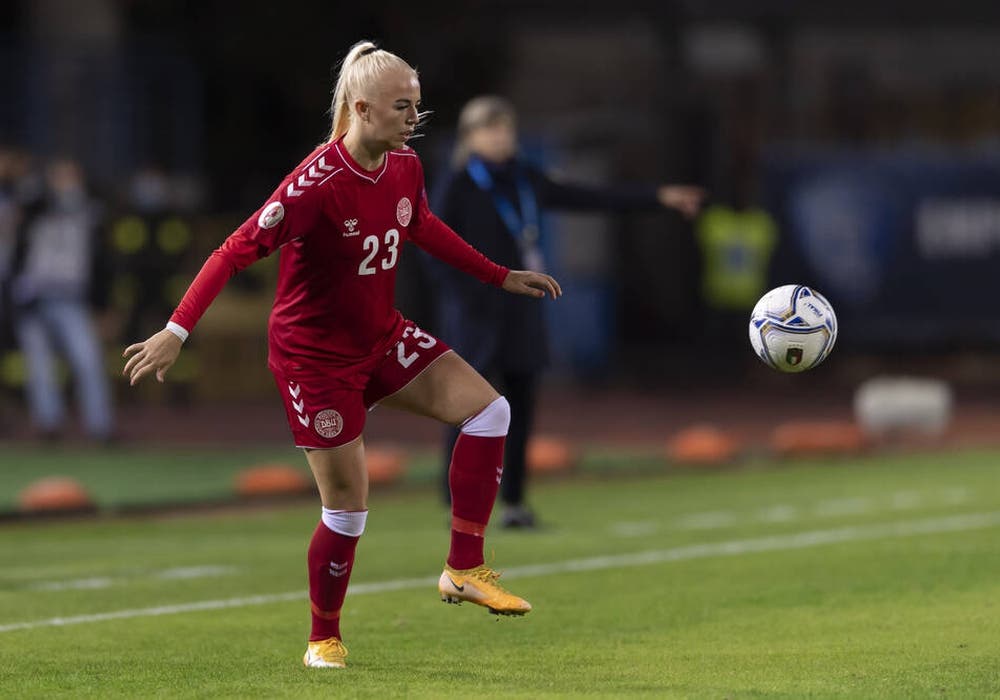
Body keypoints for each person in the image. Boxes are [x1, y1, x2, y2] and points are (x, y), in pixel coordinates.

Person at [122, 41, 561, 670]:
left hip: (379, 337)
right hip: (314, 361)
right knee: (348, 510)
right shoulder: (314, 185)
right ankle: (322, 637)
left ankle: (464, 567)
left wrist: (497, 275)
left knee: (491, 411)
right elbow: (231, 251)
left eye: (418, 105)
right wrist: (176, 329)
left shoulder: (405, 166)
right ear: (361, 108)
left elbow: (420, 224)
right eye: (402, 106)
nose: (415, 118)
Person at [433, 96, 705, 528]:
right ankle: (452, 496)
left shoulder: (525, 178)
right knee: (469, 407)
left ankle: (515, 501)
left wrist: (657, 197)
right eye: (490, 128)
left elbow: (589, 196)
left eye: (506, 127)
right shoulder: (458, 184)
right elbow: (433, 249)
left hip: (522, 311)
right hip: (477, 316)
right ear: (470, 137)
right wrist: (469, 303)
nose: (501, 136)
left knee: (519, 404)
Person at [9, 157, 115, 442]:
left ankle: (100, 427)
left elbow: (102, 261)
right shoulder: (37, 207)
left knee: (87, 359)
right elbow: (27, 209)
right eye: (59, 176)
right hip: (33, 297)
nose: (65, 183)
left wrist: (103, 305)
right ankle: (48, 425)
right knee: (40, 365)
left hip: (72, 298)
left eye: (70, 177)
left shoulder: (90, 212)